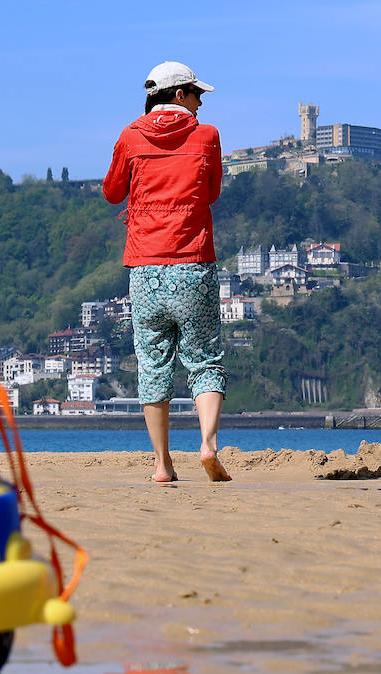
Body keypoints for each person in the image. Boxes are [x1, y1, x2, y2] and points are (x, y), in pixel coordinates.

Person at [103, 61, 230, 483]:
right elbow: (211, 192)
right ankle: (208, 445)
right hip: (193, 264)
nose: (199, 105)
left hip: (145, 269)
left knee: (153, 365)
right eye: (197, 95)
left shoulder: (129, 136)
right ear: (178, 95)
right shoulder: (206, 136)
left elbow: (111, 192)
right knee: (205, 359)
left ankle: (161, 465)